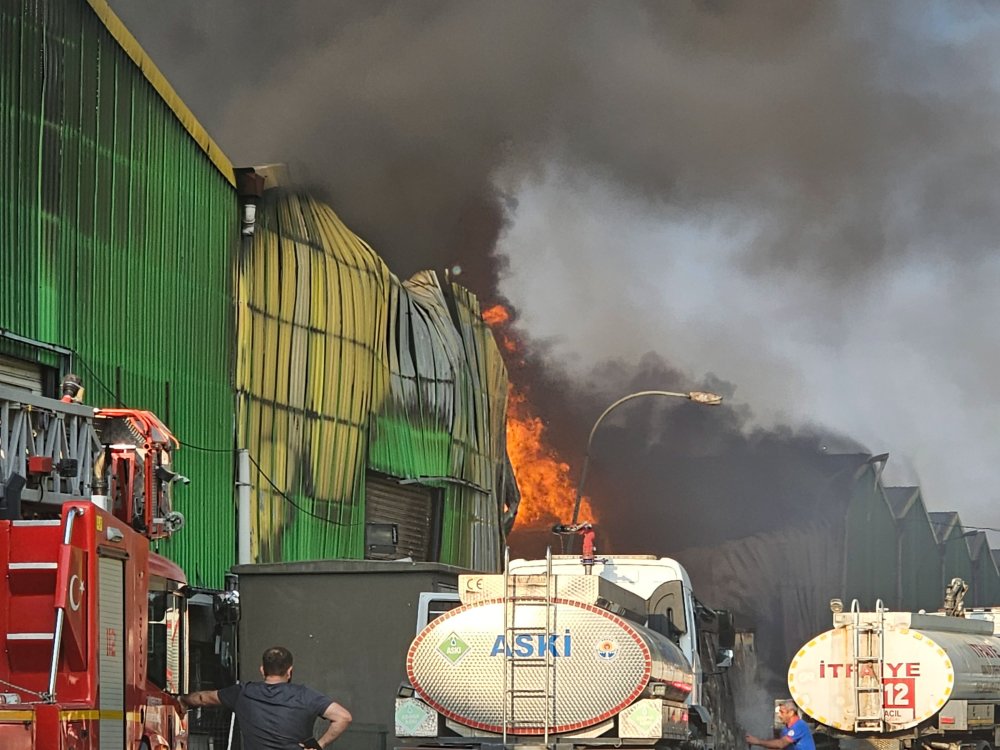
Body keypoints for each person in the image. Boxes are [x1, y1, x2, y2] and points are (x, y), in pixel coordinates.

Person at [178, 646, 352, 750]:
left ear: (262, 669)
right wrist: (319, 745)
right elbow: (343, 717)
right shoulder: (305, 695)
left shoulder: (243, 693)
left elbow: (202, 698)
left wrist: (182, 701)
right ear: (289, 671)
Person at [746, 701, 816, 750]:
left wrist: (757, 741)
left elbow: (781, 744)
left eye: (782, 712)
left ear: (791, 713)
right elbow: (779, 747)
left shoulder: (800, 725)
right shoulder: (785, 730)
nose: (779, 715)